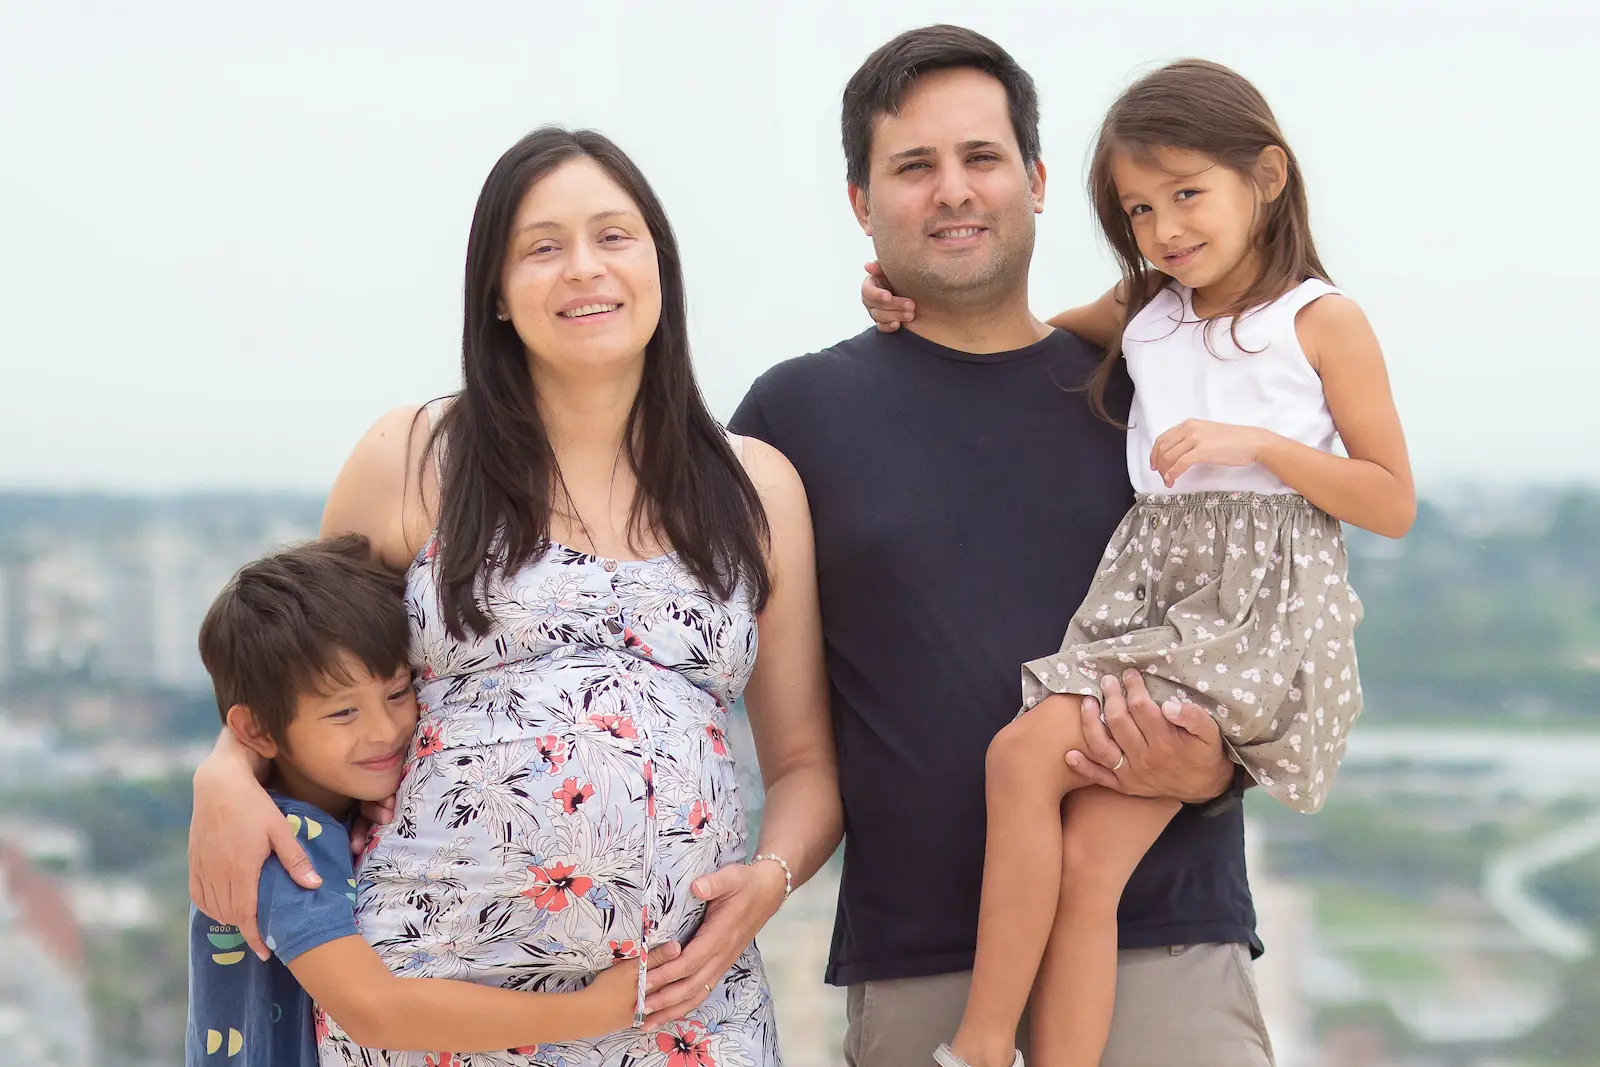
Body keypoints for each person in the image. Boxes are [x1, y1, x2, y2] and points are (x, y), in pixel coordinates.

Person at [187, 126, 842, 1067]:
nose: (584, 268)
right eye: (543, 246)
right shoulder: (412, 456)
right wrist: (223, 770)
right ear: (495, 291)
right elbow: (295, 667)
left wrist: (769, 883)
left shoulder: (756, 488)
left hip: (684, 1007)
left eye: (613, 236)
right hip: (432, 1008)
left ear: (658, 263)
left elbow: (806, 762)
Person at [731, 26, 1290, 1067]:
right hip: (924, 970)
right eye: (914, 166)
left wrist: (1217, 762)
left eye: (981, 157)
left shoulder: (1157, 388)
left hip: (1163, 938)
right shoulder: (793, 416)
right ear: (861, 202)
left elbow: (1272, 619)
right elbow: (728, 690)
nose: (953, 189)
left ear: (1034, 180)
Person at [858, 56, 1414, 1067]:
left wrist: (1258, 447)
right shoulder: (1148, 311)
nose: (1165, 228)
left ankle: (978, 1046)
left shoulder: (1317, 320)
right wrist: (905, 301)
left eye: (1187, 194)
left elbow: (1390, 497)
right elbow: (1029, 335)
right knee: (1085, 866)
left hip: (1243, 618)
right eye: (1139, 209)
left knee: (1018, 757)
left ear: (1268, 176)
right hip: (1155, 605)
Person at [187, 535, 682, 1066]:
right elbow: (373, 1010)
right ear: (256, 731)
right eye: (343, 713)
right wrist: (591, 1011)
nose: (384, 730)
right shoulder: (282, 850)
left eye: (398, 693)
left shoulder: (332, 813)